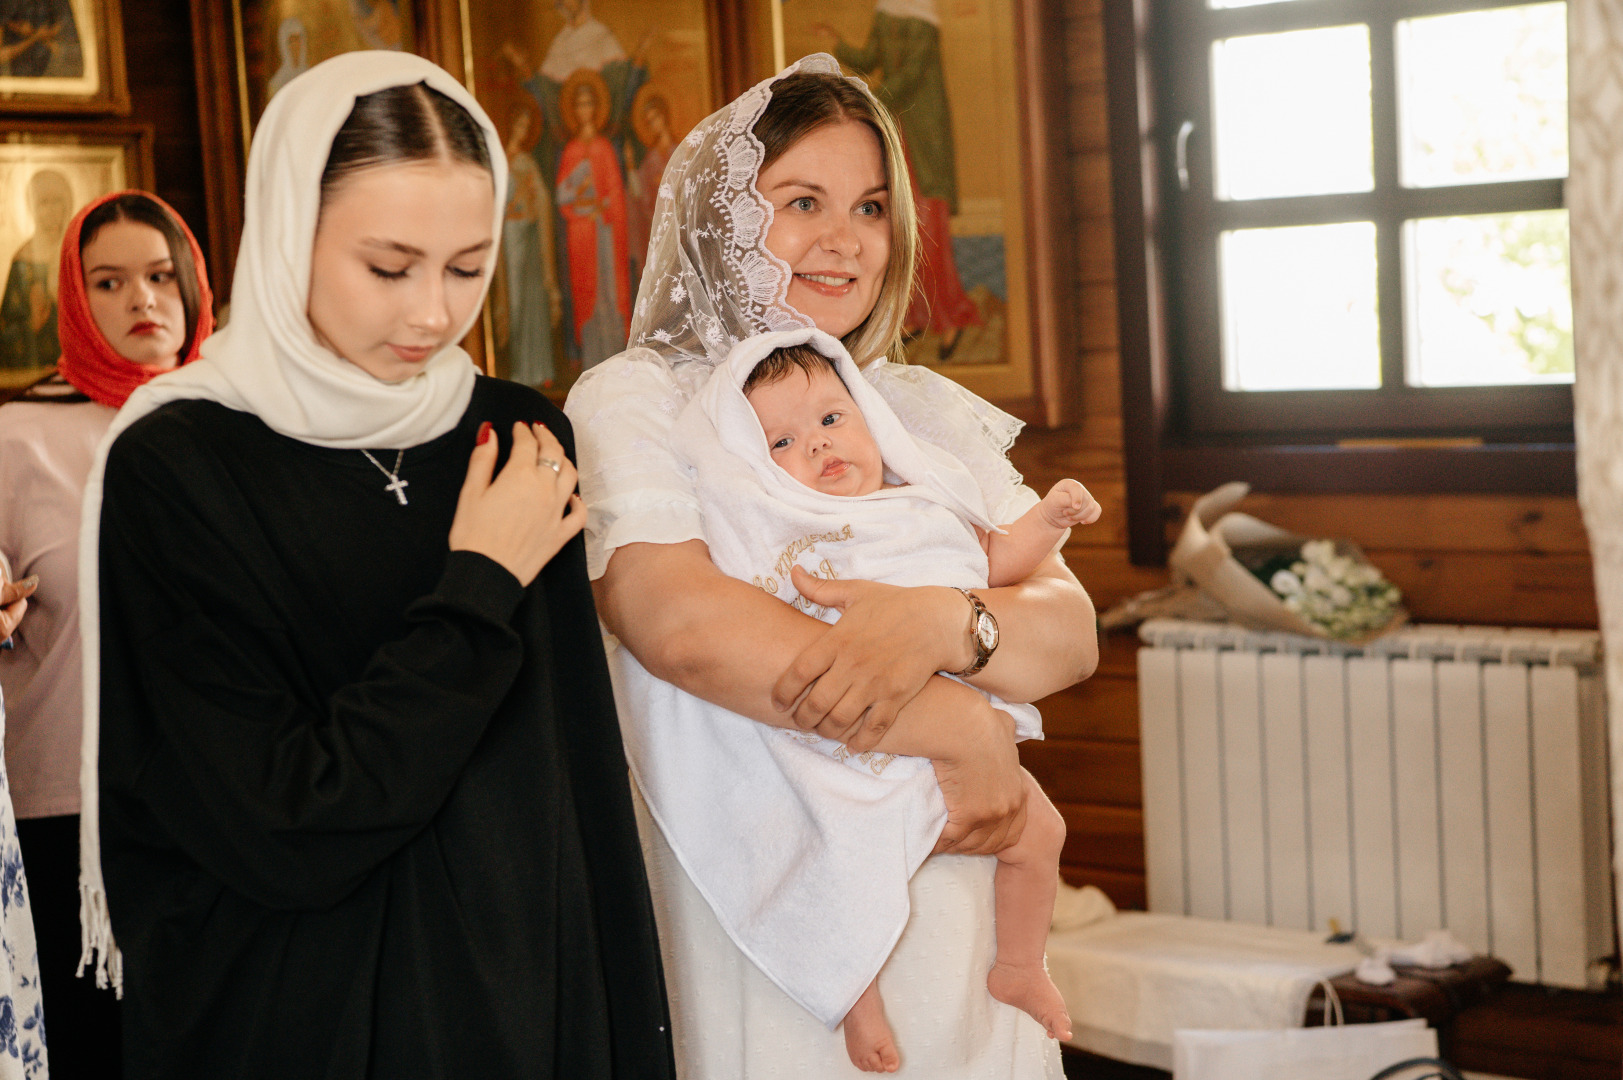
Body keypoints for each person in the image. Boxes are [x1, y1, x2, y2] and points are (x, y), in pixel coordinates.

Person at [77, 52, 673, 1078]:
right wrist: (478, 585)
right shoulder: (178, 464)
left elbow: (573, 798)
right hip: (297, 1017)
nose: (434, 316)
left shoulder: (518, 434)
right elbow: (282, 819)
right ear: (287, 233)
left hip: (518, 1009)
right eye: (389, 267)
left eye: (469, 265)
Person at [565, 55, 1096, 1077]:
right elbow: (680, 624)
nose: (844, 240)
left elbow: (1066, 630)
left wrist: (947, 623)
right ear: (724, 219)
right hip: (763, 890)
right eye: (801, 201)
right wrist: (959, 723)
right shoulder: (636, 399)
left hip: (957, 880)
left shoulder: (920, 410)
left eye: (871, 207)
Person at [634, 326, 1096, 1072]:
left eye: (828, 419)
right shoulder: (788, 530)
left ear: (867, 418)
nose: (815, 447)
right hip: (856, 739)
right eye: (780, 443)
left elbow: (997, 561)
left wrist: (1047, 518)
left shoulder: (916, 500)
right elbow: (741, 624)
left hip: (949, 734)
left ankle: (1019, 963)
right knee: (840, 864)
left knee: (1039, 833)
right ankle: (854, 999)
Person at [0, 189, 213, 1080]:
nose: (143, 301)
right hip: (68, 812)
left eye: (162, 276)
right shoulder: (19, 436)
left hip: (224, 807)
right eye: (110, 281)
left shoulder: (243, 426)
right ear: (71, 301)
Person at [557, 68, 631, 370]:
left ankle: (614, 362)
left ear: (596, 108)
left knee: (608, 294)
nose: (584, 110)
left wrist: (605, 207)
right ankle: (591, 364)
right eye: (579, 104)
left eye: (589, 104)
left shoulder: (604, 148)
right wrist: (584, 208)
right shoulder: (571, 151)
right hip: (582, 234)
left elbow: (615, 192)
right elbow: (562, 199)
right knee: (586, 293)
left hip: (605, 232)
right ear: (573, 110)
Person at [2, 169, 73, 375]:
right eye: (43, 202)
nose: (50, 210)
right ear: (33, 208)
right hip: (34, 370)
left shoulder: (78, 252)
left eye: (57, 201)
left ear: (67, 205)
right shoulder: (23, 260)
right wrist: (33, 321)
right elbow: (5, 334)